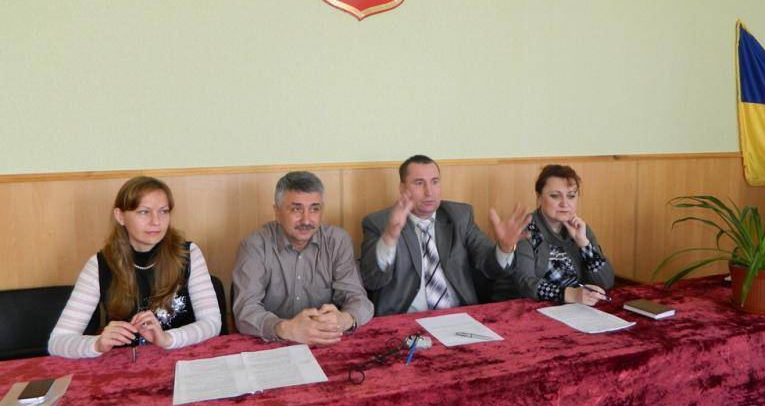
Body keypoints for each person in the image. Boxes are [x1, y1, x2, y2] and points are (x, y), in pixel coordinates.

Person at [48, 176, 222, 358]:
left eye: (164, 211)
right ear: (120, 216)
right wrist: (97, 344)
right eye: (144, 212)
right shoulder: (99, 265)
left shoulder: (188, 254)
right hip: (127, 366)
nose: (156, 221)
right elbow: (57, 341)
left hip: (184, 360)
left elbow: (212, 323)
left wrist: (167, 339)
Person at [360, 154, 531, 316]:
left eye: (434, 182)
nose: (429, 191)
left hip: (459, 316)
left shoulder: (460, 216)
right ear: (402, 188)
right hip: (404, 321)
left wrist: (504, 248)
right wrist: (390, 237)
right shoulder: (380, 223)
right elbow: (372, 280)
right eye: (419, 183)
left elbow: (488, 265)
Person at [232, 171, 373, 345]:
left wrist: (345, 319)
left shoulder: (337, 241)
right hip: (273, 344)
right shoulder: (254, 246)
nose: (306, 220)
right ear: (277, 212)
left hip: (325, 342)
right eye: (296, 209)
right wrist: (286, 329)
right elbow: (245, 310)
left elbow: (359, 299)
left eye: (314, 209)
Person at [510, 164, 614, 305]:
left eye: (571, 196)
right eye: (555, 196)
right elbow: (524, 284)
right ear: (539, 197)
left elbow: (606, 282)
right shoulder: (524, 229)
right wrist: (570, 294)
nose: (565, 203)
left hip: (575, 308)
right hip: (530, 307)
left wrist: (584, 243)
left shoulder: (580, 228)